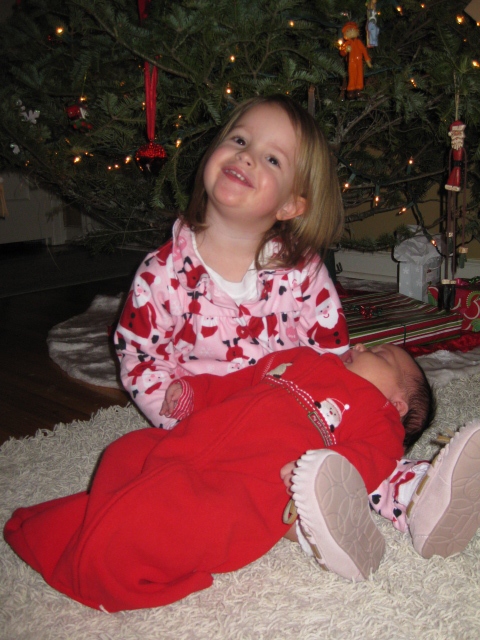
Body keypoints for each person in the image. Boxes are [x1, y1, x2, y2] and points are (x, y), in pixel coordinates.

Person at [113, 93, 478, 571]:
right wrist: (178, 416)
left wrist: (344, 412)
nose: (247, 156)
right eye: (239, 140)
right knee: (200, 487)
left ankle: (420, 496)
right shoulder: (163, 274)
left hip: (296, 411)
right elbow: (139, 355)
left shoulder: (302, 272)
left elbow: (330, 351)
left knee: (354, 461)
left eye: (272, 159)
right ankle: (305, 527)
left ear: (290, 204)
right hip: (211, 422)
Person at [4, 343, 434, 612]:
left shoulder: (380, 421)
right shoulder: (303, 359)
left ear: (397, 403)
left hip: (251, 482)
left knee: (197, 517)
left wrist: (319, 466)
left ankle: (110, 558)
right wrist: (197, 394)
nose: (360, 346)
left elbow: (370, 460)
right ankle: (88, 533)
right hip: (190, 442)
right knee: (128, 452)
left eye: (381, 356)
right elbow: (240, 382)